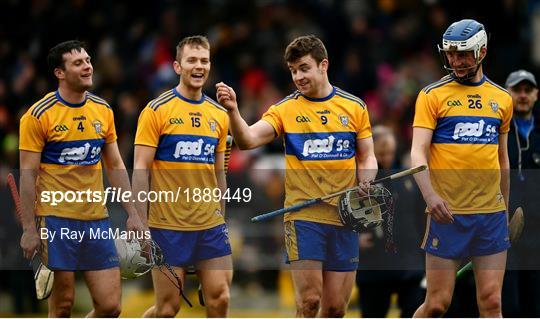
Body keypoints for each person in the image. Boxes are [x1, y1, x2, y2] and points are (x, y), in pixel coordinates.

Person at [216, 35, 377, 317]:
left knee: (336, 308)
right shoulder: (285, 109)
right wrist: (233, 111)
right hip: (303, 218)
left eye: (304, 68)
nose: (298, 76)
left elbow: (367, 156)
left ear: (323, 65)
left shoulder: (354, 107)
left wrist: (366, 179)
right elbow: (248, 140)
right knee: (309, 302)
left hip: (345, 217)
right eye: (293, 71)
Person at [18, 40, 145, 317]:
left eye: (87, 60)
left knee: (110, 307)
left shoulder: (103, 110)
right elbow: (27, 176)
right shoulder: (38, 116)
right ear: (59, 73)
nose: (88, 66)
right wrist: (29, 228)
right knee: (63, 306)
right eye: (78, 63)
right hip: (55, 219)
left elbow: (114, 164)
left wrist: (132, 213)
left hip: (96, 220)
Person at [411, 19, 512, 317]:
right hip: (447, 215)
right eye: (451, 54)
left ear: (481, 51)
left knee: (492, 301)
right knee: (437, 305)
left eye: (463, 54)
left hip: (490, 216)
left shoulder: (501, 99)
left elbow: (502, 159)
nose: (455, 61)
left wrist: (504, 207)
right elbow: (417, 152)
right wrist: (430, 197)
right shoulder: (432, 96)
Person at [133, 35, 232, 318]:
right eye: (192, 60)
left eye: (204, 60)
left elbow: (219, 174)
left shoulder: (219, 114)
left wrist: (221, 218)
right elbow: (141, 169)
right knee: (167, 309)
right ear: (177, 66)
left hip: (210, 226)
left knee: (220, 298)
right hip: (167, 227)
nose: (198, 66)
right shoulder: (156, 110)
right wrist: (139, 220)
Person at [356, 125, 425, 318]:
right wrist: (354, 240)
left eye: (390, 152)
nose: (386, 157)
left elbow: (421, 216)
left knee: (414, 310)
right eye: (381, 153)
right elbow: (342, 218)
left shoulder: (407, 178)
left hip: (410, 265)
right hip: (374, 268)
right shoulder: (358, 181)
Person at [502, 69, 540, 317]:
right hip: (505, 232)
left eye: (528, 90)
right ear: (507, 94)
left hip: (538, 234)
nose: (523, 95)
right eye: (517, 90)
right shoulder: (496, 133)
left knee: (536, 305)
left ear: (536, 94)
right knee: (509, 303)